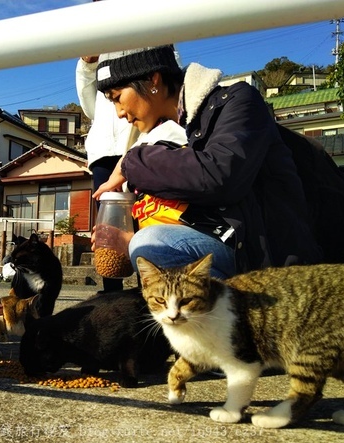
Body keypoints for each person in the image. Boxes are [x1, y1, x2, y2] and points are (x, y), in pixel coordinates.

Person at [92, 45, 322, 278]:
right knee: (147, 243)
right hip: (220, 248)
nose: (119, 112)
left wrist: (130, 162)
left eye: (118, 98)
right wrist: (122, 236)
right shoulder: (158, 135)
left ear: (153, 79)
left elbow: (219, 177)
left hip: (264, 260)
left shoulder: (236, 101)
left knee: (152, 242)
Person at [76, 54, 137, 292]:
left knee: (144, 218)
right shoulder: (100, 39)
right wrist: (88, 64)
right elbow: (89, 105)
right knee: (108, 227)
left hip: (138, 141)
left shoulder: (148, 31)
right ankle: (112, 296)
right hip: (102, 151)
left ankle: (150, 293)